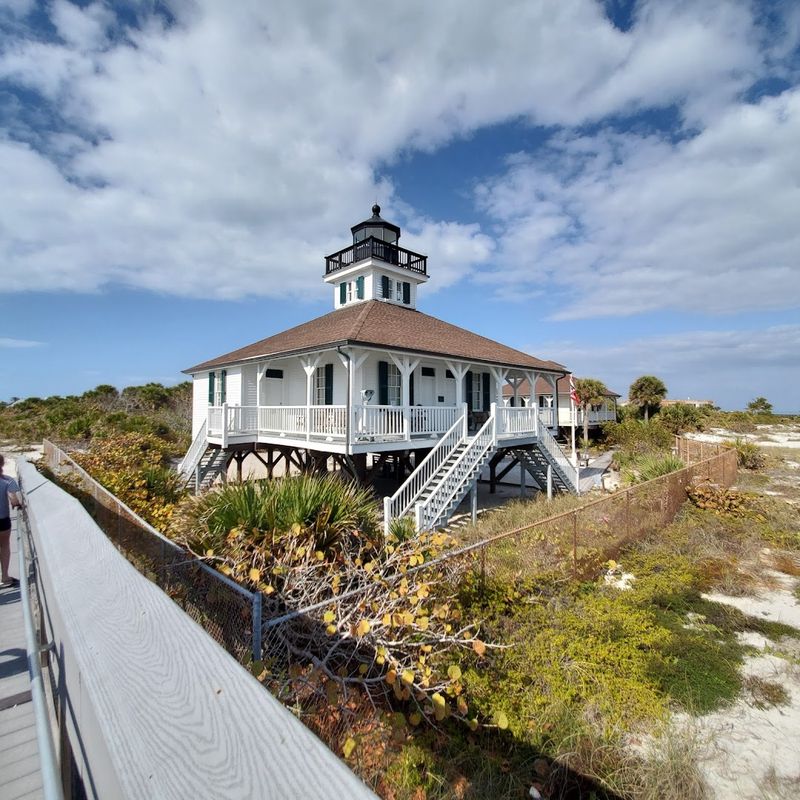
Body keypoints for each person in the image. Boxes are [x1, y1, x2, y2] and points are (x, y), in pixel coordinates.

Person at [0, 453, 22, 588]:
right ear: (2, 465)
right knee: (4, 546)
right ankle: (5, 577)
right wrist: (17, 504)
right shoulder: (7, 481)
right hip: (2, 520)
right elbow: (13, 498)